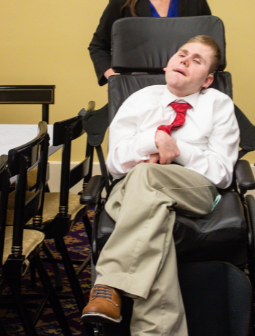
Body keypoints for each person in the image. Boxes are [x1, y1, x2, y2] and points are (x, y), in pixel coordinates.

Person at [81, 36, 239, 333]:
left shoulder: (218, 105)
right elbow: (115, 163)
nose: (185, 61)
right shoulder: (140, 99)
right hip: (137, 190)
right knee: (154, 209)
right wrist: (151, 140)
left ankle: (109, 284)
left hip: (195, 189)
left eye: (197, 60)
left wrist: (175, 147)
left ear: (207, 80)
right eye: (182, 54)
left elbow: (222, 174)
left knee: (143, 178)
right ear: (168, 63)